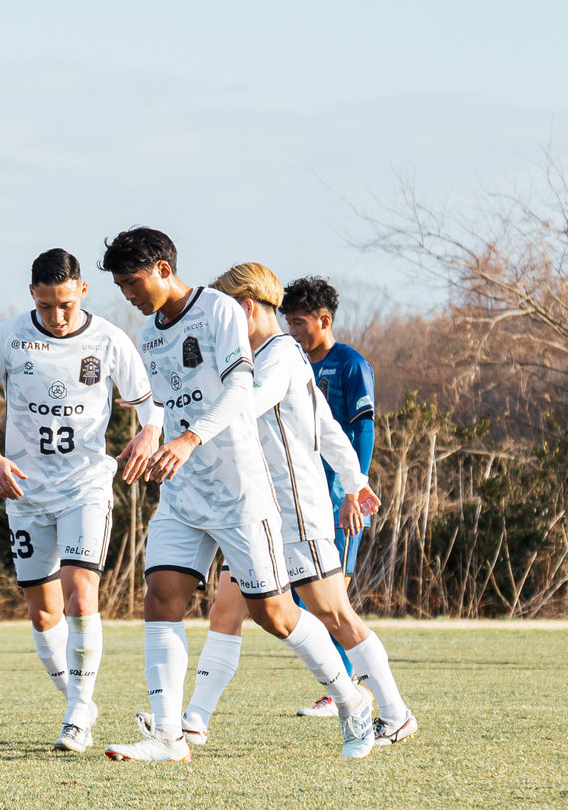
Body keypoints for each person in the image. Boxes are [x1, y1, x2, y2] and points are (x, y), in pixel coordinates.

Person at [97, 229, 374, 763]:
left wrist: (188, 437)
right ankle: (168, 737)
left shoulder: (219, 311)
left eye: (132, 282)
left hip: (240, 492)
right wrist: (151, 429)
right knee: (161, 596)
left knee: (274, 614)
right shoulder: (150, 332)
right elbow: (159, 401)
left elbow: (240, 390)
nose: (128, 294)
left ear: (161, 268)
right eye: (121, 285)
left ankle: (352, 700)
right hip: (183, 491)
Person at [137, 263, 416, 748]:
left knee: (333, 613)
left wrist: (176, 412)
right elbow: (326, 424)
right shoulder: (261, 353)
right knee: (226, 610)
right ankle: (193, 721)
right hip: (248, 508)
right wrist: (354, 480)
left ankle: (393, 711)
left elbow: (247, 401)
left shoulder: (278, 354)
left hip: (294, 511)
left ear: (243, 308)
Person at [0, 248, 160, 752]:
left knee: (79, 595)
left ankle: (76, 720)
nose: (57, 315)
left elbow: (149, 404)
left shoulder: (111, 340)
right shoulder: (8, 337)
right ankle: (80, 701)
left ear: (83, 292)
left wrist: (148, 432)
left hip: (85, 488)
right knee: (42, 614)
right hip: (25, 490)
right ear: (33, 295)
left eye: (66, 303)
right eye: (47, 305)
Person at [284, 276, 376, 717]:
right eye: (288, 323)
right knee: (305, 600)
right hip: (304, 500)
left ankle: (350, 690)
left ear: (323, 321)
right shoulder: (293, 366)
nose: (293, 332)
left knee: (331, 601)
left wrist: (353, 492)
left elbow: (363, 430)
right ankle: (344, 687)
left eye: (299, 323)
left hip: (339, 501)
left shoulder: (350, 365)